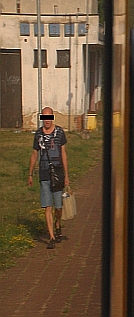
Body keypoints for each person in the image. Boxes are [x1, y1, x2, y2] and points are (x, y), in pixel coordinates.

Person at [28, 107, 69, 250]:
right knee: (47, 206)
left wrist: (66, 175)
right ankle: (51, 237)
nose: (46, 120)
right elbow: (34, 154)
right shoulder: (38, 134)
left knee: (58, 206)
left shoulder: (59, 132)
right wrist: (30, 174)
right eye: (44, 117)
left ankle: (58, 225)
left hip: (57, 173)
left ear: (52, 117)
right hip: (44, 173)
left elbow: (63, 153)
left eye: (49, 117)